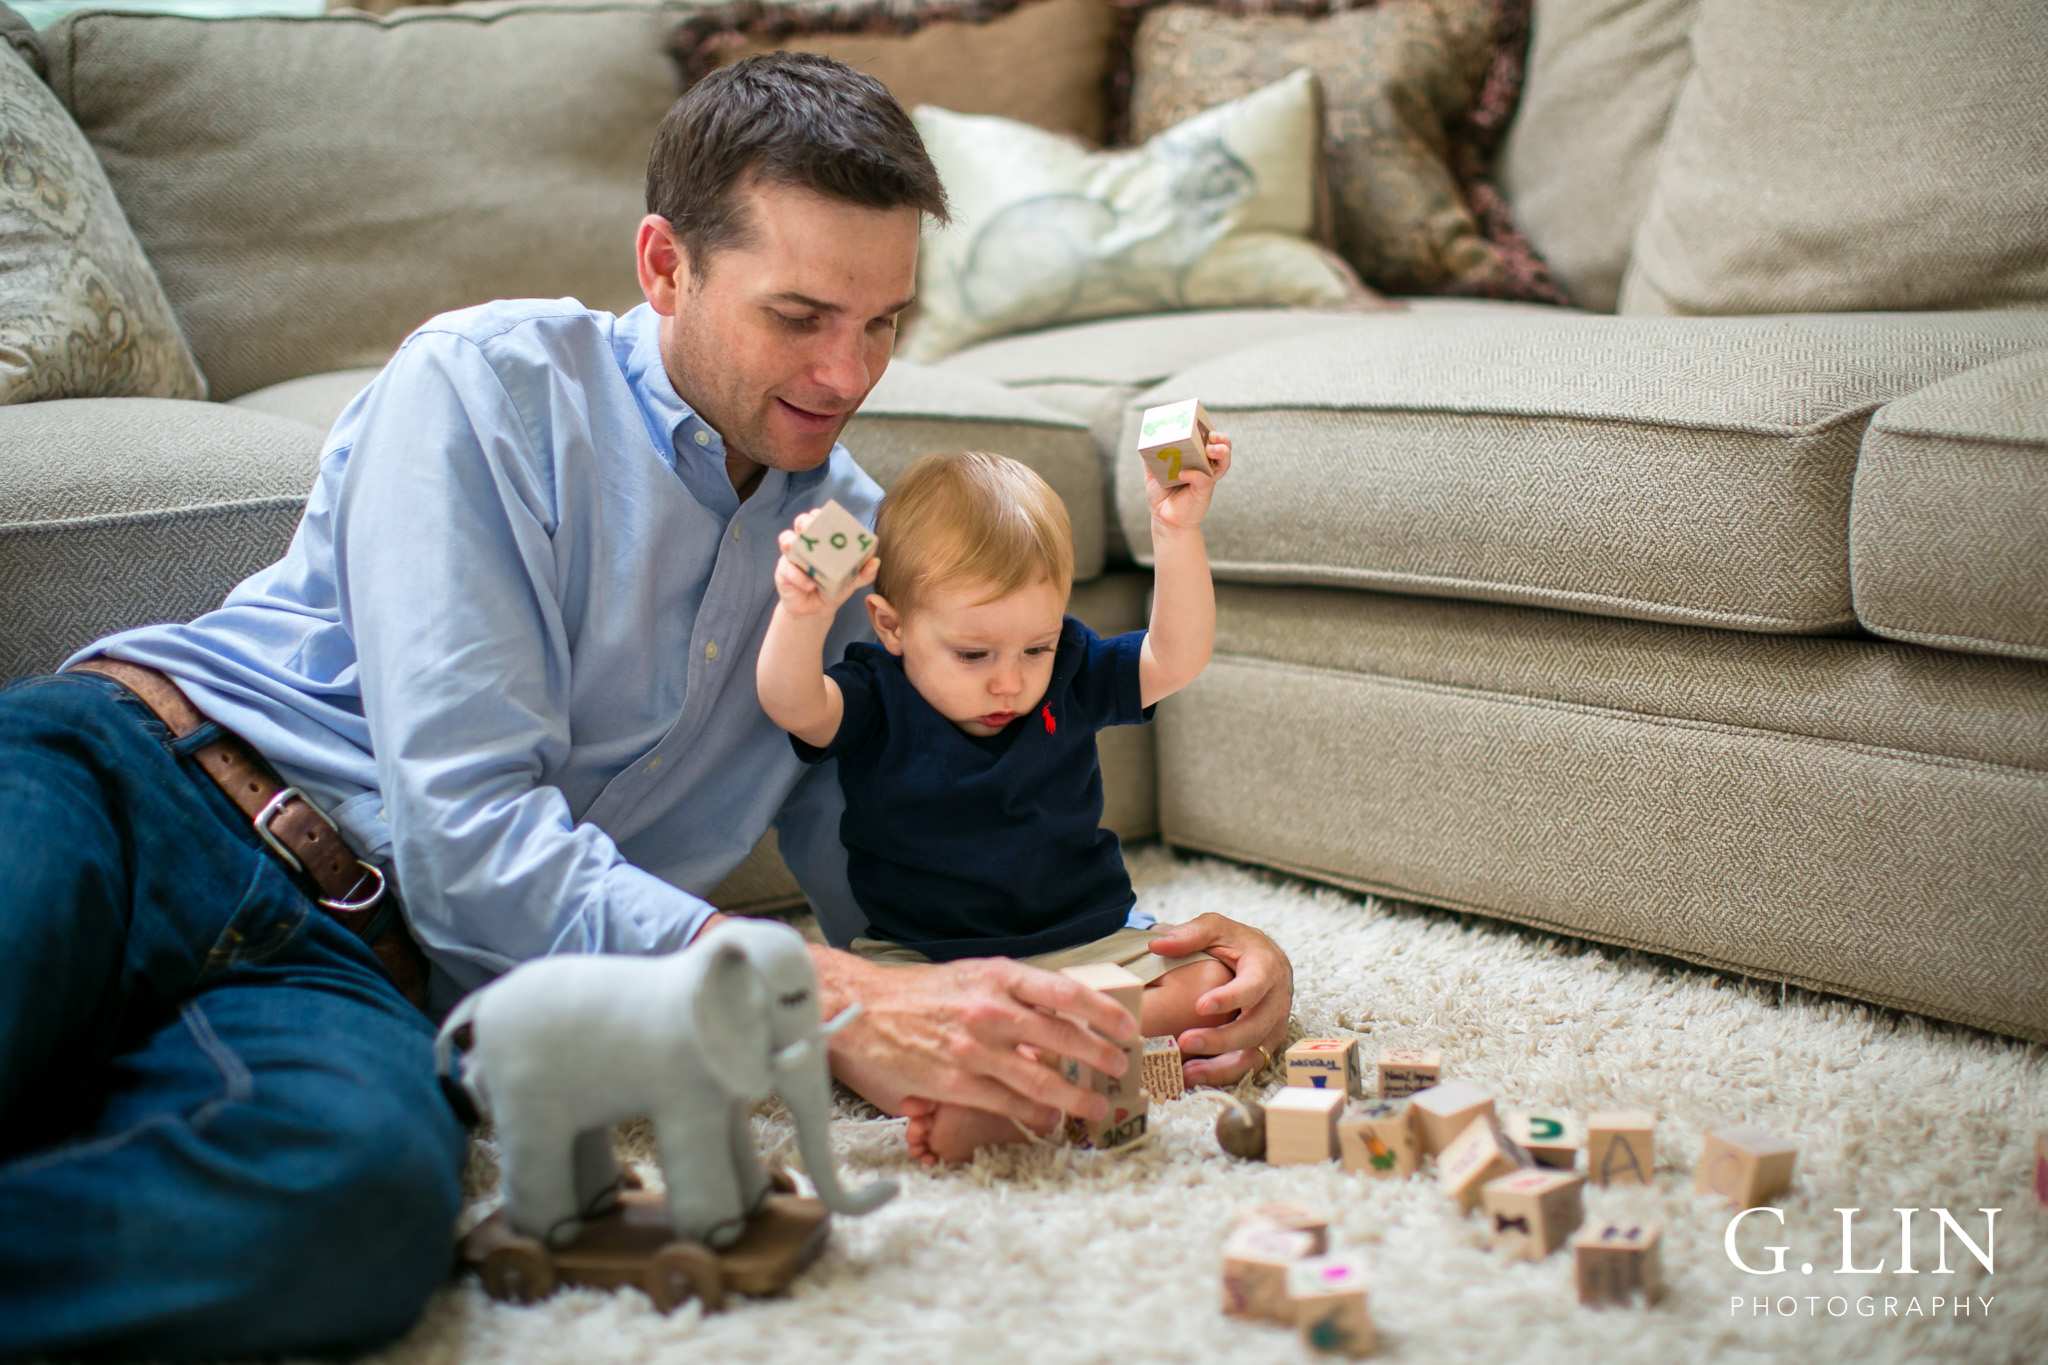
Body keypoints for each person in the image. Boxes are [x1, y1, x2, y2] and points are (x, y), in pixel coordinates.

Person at [0, 52, 1291, 1361]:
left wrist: (1139, 971)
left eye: (885, 321)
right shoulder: (489, 386)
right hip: (144, 784)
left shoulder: (850, 552)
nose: (848, 374)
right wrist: (826, 995)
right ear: (666, 265)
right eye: (800, 315)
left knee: (350, 1217)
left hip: (361, 986)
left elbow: (924, 875)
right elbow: (468, 837)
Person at [756, 445, 1257, 1164]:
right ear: (891, 627)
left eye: (1035, 647)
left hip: (1079, 945)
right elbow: (792, 704)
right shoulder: (877, 692)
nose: (1008, 683)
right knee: (837, 1029)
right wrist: (802, 612)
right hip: (925, 960)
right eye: (973, 655)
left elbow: (1174, 658)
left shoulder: (1073, 669)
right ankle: (1002, 1069)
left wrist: (1176, 531)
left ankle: (1015, 1062)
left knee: (1213, 985)